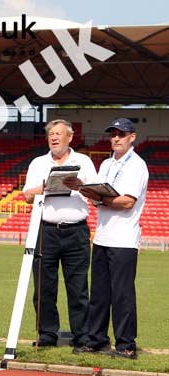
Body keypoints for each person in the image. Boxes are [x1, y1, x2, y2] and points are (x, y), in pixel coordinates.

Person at [75, 118, 149, 359]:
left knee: (122, 295)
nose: (116, 138)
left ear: (132, 137)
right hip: (102, 236)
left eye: (121, 134)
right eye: (113, 134)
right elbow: (98, 196)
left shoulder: (137, 165)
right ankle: (97, 340)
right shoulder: (106, 163)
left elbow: (127, 202)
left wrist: (102, 199)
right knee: (99, 293)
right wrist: (89, 192)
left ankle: (126, 345)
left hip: (124, 239)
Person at [22, 119, 97, 348]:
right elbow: (26, 195)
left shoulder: (83, 161)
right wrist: (47, 187)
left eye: (58, 134)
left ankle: (82, 337)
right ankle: (47, 335)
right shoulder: (38, 163)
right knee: (44, 287)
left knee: (78, 288)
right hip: (46, 231)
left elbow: (95, 195)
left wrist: (79, 185)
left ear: (70, 137)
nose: (54, 138)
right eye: (51, 134)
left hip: (76, 231)